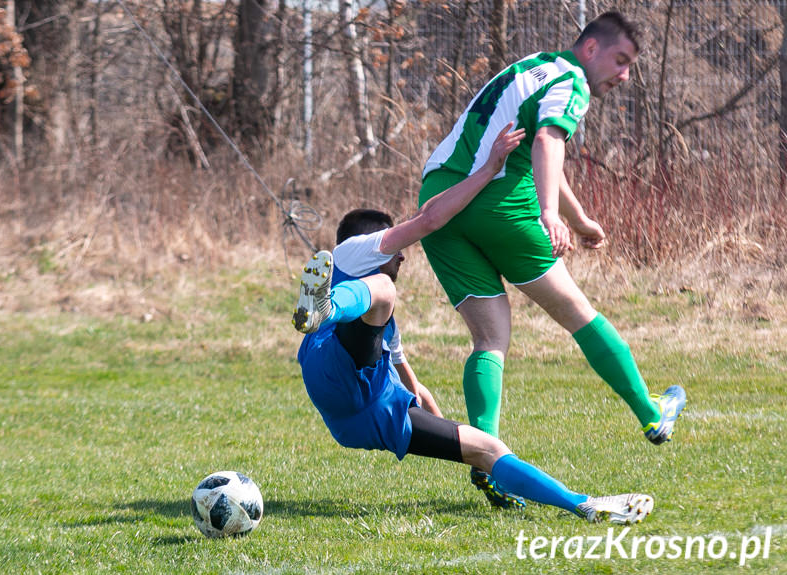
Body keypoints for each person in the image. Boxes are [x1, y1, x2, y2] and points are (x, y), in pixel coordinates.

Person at [289, 126, 654, 524]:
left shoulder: (383, 329)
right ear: (378, 241)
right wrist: (488, 169)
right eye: (394, 250)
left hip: (362, 409)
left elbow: (411, 384)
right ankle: (327, 307)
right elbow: (429, 219)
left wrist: (448, 430)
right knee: (382, 289)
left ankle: (585, 505)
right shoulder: (351, 252)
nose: (402, 258)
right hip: (337, 366)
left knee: (488, 449)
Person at [417, 11, 686, 508]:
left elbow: (537, 149)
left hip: (439, 200)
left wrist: (578, 217)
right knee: (577, 314)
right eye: (621, 61)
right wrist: (547, 213)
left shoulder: (535, 67)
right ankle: (652, 414)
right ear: (590, 49)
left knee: (490, 337)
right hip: (500, 204)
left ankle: (488, 458)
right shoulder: (573, 83)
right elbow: (547, 142)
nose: (624, 75)